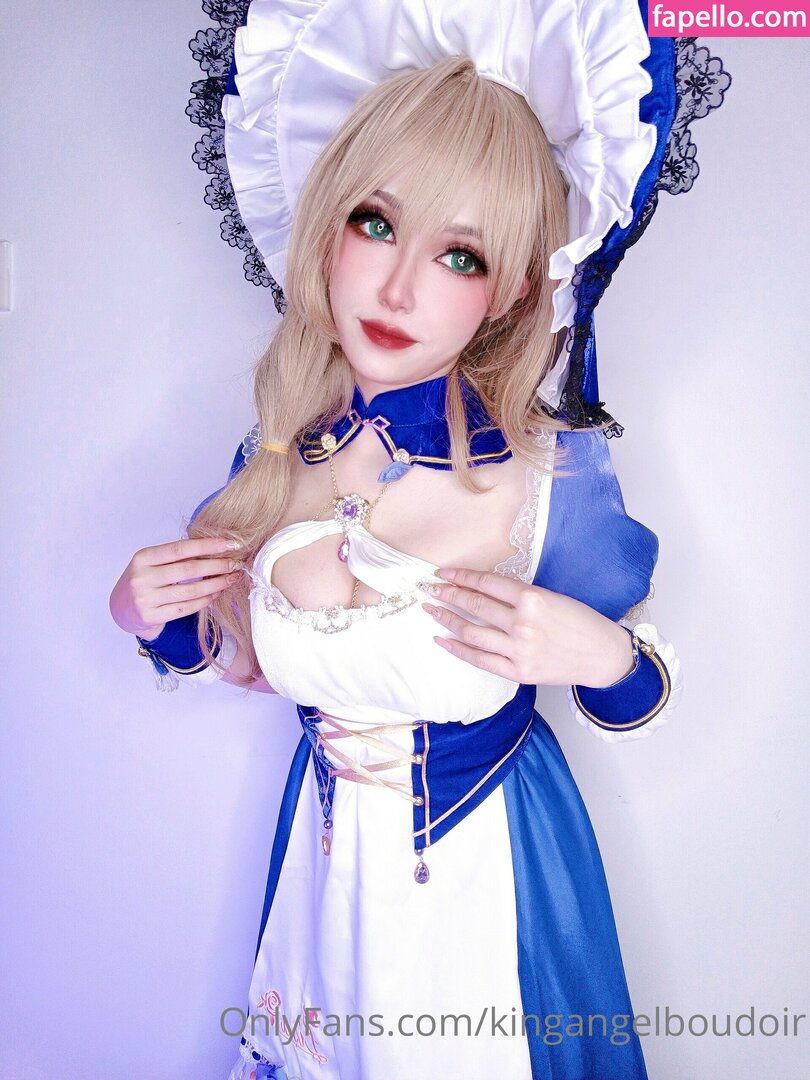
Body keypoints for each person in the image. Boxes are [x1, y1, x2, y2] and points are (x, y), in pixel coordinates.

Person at [110, 39, 688, 1080]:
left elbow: (635, 695)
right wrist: (148, 615)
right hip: (323, 875)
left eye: (460, 256)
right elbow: (232, 658)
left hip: (488, 875)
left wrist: (602, 653)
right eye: (375, 223)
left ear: (510, 291)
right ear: (326, 226)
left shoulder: (551, 479)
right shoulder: (275, 457)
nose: (399, 286)